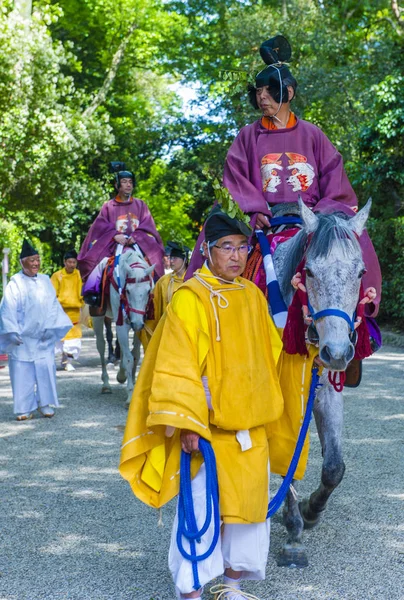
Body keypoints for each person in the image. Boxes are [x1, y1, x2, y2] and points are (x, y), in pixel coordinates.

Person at [120, 204, 285, 600]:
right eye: (226, 247)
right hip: (207, 431)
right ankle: (190, 591)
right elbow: (178, 366)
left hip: (251, 427)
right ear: (208, 251)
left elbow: (272, 354)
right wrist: (189, 425)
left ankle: (231, 585)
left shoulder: (253, 296)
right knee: (200, 514)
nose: (236, 256)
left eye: (243, 247)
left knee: (248, 514)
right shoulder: (191, 297)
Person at [186, 35, 381, 317]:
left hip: (314, 217)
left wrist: (321, 216)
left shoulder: (313, 134)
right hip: (262, 217)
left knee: (354, 236)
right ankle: (196, 306)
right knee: (213, 232)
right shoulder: (248, 135)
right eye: (258, 92)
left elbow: (335, 179)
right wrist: (253, 208)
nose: (261, 97)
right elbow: (235, 178)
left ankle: (365, 312)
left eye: (269, 90)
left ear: (287, 93)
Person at [0, 240, 72, 420]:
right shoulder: (15, 283)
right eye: (31, 260)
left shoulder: (46, 281)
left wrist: (52, 328)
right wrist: (11, 331)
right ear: (22, 262)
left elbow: (53, 306)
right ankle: (24, 408)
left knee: (45, 370)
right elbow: (7, 308)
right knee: (22, 373)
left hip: (42, 337)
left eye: (37, 259)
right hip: (22, 338)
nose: (35, 263)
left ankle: (45, 404)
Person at [78, 168, 164, 307]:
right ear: (117, 185)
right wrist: (114, 235)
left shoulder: (141, 204)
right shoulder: (108, 206)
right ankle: (94, 294)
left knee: (154, 260)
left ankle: (157, 294)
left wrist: (136, 237)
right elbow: (99, 226)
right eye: (124, 182)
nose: (128, 185)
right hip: (113, 246)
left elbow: (148, 225)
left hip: (138, 245)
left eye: (130, 182)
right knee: (100, 264)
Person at [143, 241, 190, 342]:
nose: (171, 261)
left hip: (188, 330)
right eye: (170, 258)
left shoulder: (193, 280)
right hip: (168, 330)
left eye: (175, 258)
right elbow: (154, 305)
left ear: (184, 260)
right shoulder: (164, 281)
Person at [51, 249, 84, 371]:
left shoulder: (79, 275)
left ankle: (67, 361)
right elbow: (52, 294)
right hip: (60, 312)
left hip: (75, 312)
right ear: (65, 262)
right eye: (69, 262)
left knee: (73, 340)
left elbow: (83, 293)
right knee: (59, 338)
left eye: (74, 262)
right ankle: (58, 360)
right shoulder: (57, 275)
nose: (71, 264)